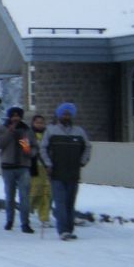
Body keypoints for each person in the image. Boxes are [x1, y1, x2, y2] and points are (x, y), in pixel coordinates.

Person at [41, 102, 91, 241]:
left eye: (69, 114)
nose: (66, 116)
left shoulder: (79, 131)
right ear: (58, 115)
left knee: (69, 202)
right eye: (64, 114)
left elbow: (87, 147)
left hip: (73, 173)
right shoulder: (49, 131)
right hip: (53, 171)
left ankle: (69, 229)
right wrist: (46, 163)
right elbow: (40, 148)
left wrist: (83, 161)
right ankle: (61, 230)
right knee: (59, 202)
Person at [0, 106, 38, 233]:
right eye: (13, 116)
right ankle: (9, 220)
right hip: (8, 166)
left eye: (17, 116)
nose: (15, 118)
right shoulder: (3, 128)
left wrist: (30, 151)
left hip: (23, 166)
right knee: (9, 195)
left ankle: (25, 223)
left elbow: (34, 147)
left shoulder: (26, 130)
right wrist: (10, 132)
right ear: (9, 117)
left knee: (24, 196)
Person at [29, 114, 52, 228]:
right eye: (37, 122)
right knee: (34, 192)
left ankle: (44, 217)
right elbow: (24, 149)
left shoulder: (48, 135)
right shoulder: (27, 134)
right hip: (33, 167)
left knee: (46, 192)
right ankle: (28, 210)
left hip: (46, 167)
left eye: (42, 122)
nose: (40, 124)